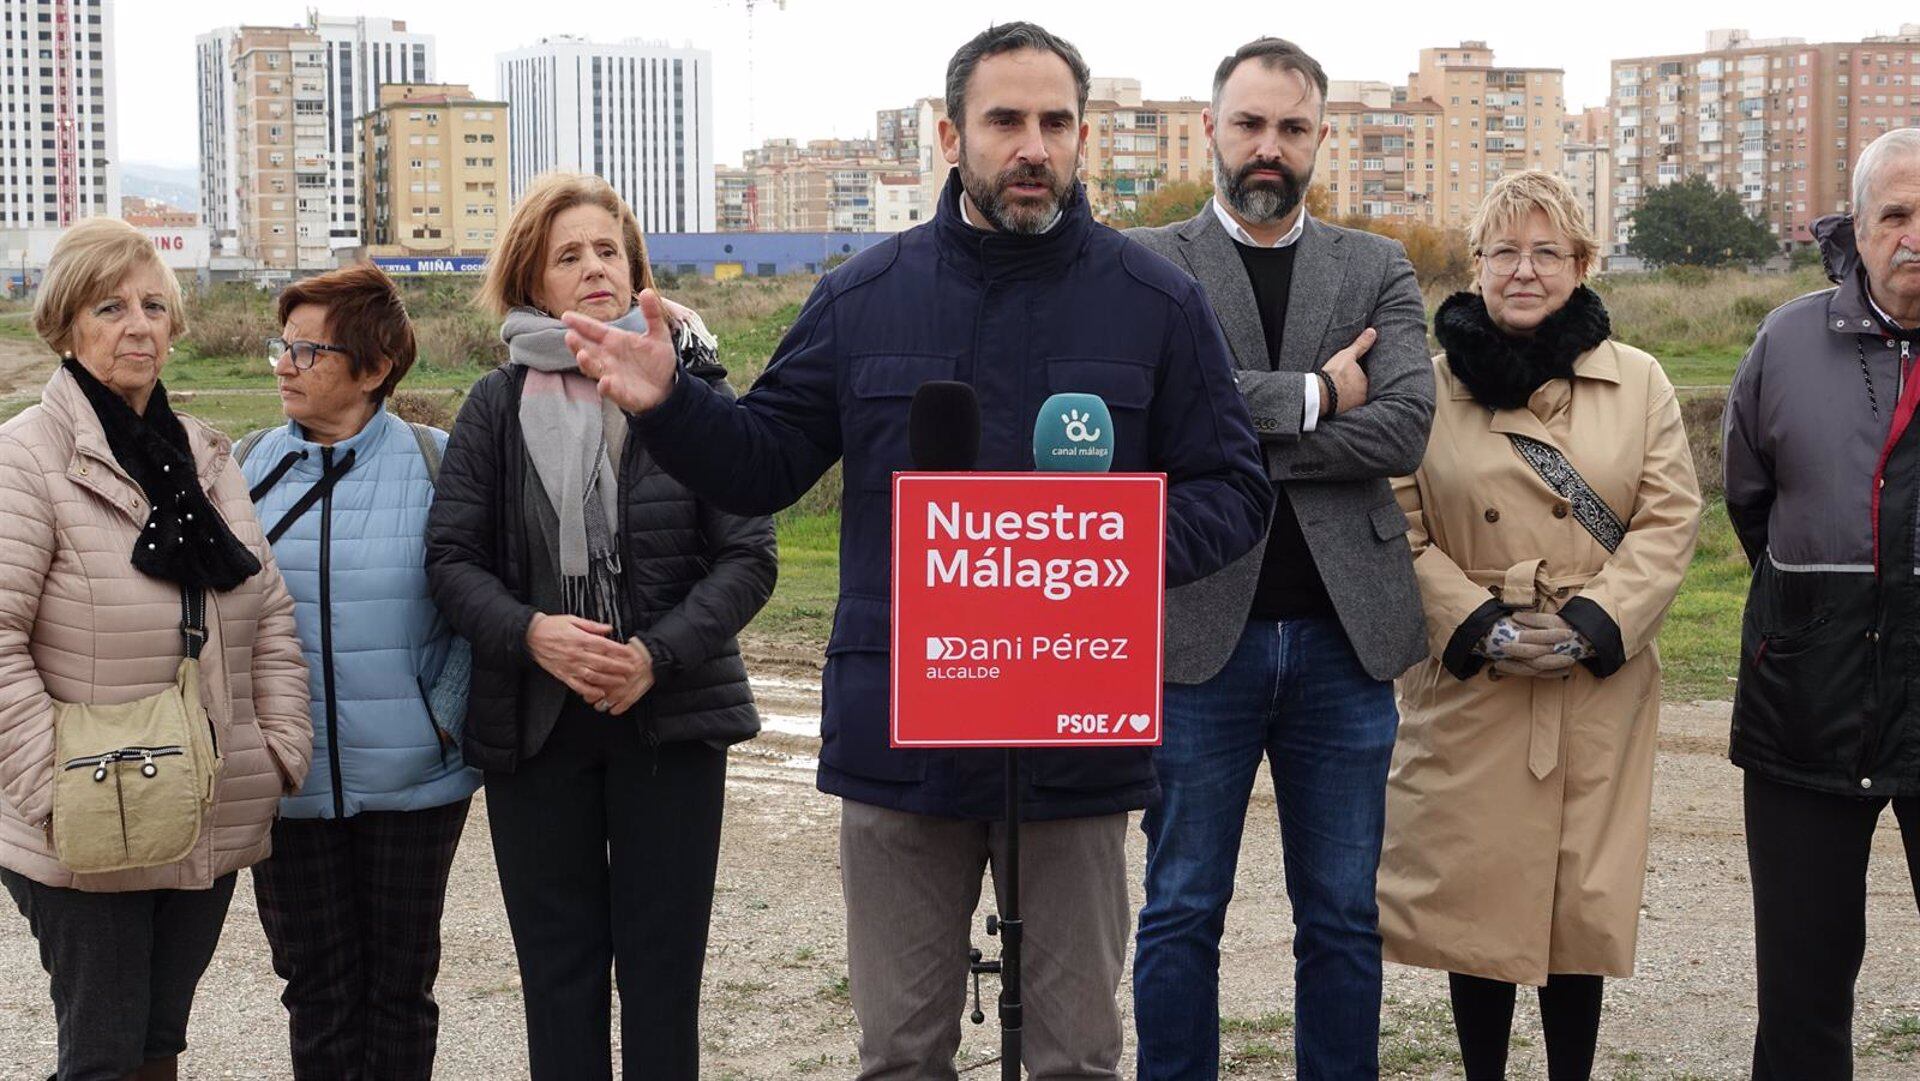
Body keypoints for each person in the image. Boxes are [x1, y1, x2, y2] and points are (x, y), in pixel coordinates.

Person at [558, 23, 1270, 1079]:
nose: (1032, 147)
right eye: (1005, 121)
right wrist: (672, 404)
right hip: (903, 736)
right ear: (950, 135)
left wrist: (1100, 548)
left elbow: (1236, 488)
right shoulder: (866, 295)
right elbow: (762, 463)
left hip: (1073, 735)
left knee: (1076, 1055)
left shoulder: (1155, 302)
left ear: (1084, 136)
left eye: (1056, 123)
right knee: (900, 1051)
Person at [1124, 37, 1434, 1079]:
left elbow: (1406, 427)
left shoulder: (1376, 265)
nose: (1270, 146)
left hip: (1346, 641)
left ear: (1321, 139)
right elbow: (1148, 421)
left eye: (1292, 128)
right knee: (1180, 908)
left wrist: (1230, 432)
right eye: (1250, 123)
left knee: (1342, 915)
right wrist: (1318, 393)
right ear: (1209, 129)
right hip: (1192, 635)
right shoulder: (1149, 263)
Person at [425, 171, 777, 1081]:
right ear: (531, 281)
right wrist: (531, 632)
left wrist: (656, 655)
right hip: (537, 726)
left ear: (635, 270)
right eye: (568, 255)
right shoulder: (493, 406)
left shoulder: (692, 392)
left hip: (671, 719)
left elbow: (749, 556)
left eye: (608, 251)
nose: (593, 268)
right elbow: (452, 561)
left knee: (663, 980)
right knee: (559, 980)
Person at [1376, 170, 1700, 1080]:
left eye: (1547, 252)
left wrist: (1594, 623)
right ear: (1477, 265)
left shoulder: (1639, 381)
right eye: (1504, 252)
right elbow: (1396, 523)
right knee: (1477, 905)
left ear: (1581, 265)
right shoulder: (1426, 386)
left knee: (1574, 906)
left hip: (1594, 681)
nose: (1525, 270)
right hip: (1472, 679)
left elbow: (1670, 518)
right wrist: (1479, 623)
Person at [0, 217, 311, 1081]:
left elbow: (269, 613)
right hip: (89, 810)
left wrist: (276, 749)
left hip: (205, 804)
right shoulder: (26, 460)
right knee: (102, 1054)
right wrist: (53, 789)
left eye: (153, 306)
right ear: (65, 326)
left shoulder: (204, 457)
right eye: (110, 307)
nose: (138, 325)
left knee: (157, 1044)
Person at [238, 263, 480, 1081]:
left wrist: (442, 716)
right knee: (316, 989)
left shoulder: (439, 464)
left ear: (374, 368)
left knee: (400, 991)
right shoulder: (243, 468)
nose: (284, 365)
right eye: (282, 345)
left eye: (308, 351)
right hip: (290, 781)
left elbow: (479, 605)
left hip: (416, 781)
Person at [1722, 126, 1920, 1079]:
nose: (1916, 236)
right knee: (1802, 984)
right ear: (1859, 226)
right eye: (1897, 214)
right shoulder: (1788, 339)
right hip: (1807, 697)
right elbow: (1749, 498)